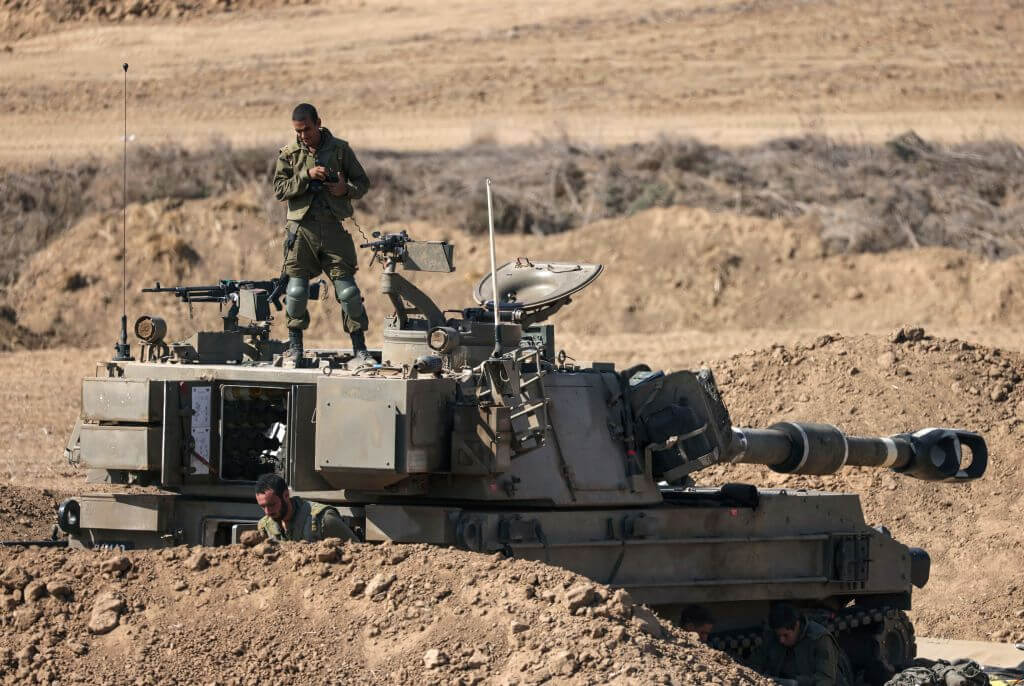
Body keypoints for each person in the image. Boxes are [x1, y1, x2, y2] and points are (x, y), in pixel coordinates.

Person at [273, 102, 373, 367]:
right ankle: (295, 349)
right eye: (298, 130)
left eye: (306, 129)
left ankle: (359, 349)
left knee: (348, 292)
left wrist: (344, 190)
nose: (302, 135)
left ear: (319, 122)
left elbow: (362, 183)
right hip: (301, 229)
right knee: (296, 292)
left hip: (332, 228)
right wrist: (306, 175)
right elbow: (280, 190)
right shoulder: (289, 154)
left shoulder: (340, 150)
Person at [747, 603, 849, 686]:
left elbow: (825, 680)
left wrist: (796, 683)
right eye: (779, 636)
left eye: (785, 635)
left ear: (797, 625)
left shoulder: (819, 639)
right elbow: (755, 663)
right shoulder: (773, 637)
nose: (781, 640)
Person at [254, 473, 356, 542]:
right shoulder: (264, 526)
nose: (267, 512)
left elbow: (360, 553)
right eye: (263, 506)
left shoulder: (323, 519)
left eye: (272, 504)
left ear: (286, 495)